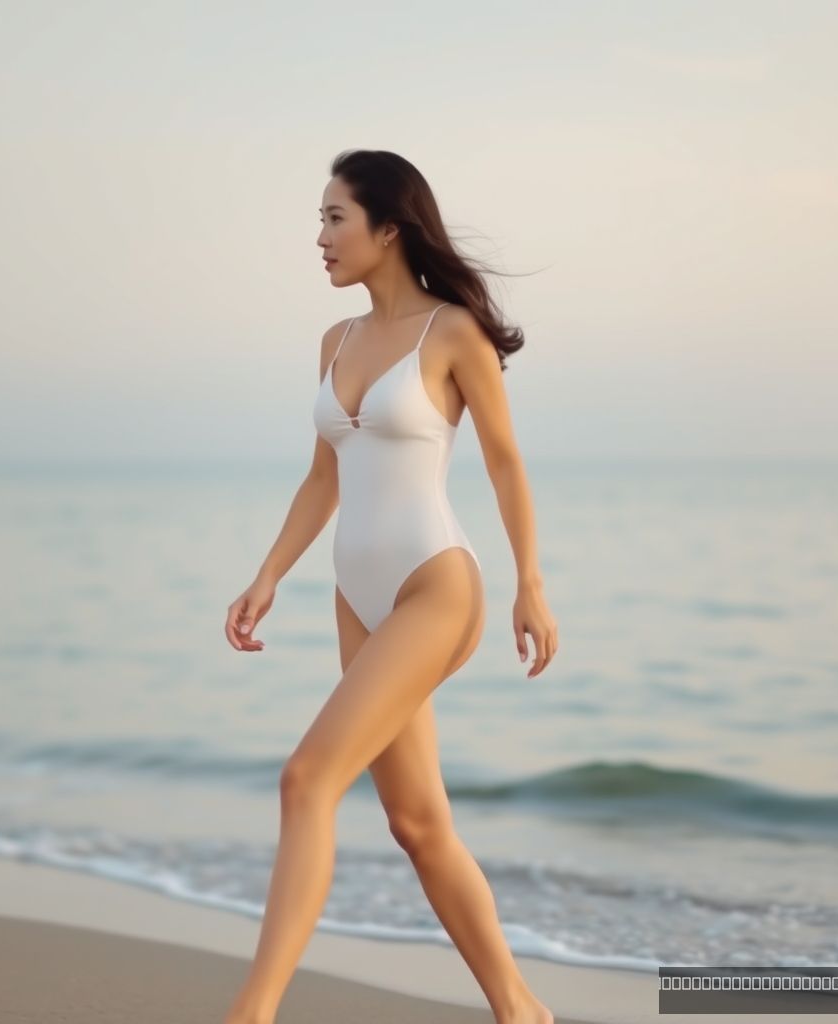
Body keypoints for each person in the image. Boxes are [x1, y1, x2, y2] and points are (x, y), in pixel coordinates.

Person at [223, 148, 558, 1024]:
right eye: (321, 219)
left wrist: (530, 584)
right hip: (355, 597)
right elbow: (322, 480)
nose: (320, 238)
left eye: (335, 218)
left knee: (307, 780)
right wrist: (267, 577)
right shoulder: (335, 341)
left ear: (389, 228)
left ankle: (249, 1014)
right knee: (416, 825)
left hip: (433, 588)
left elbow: (506, 462)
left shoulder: (452, 333)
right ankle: (522, 1010)